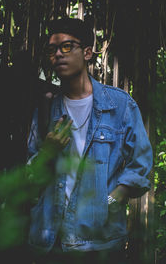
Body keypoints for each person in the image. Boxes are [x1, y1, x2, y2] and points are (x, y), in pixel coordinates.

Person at [27, 17, 153, 264]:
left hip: (99, 242)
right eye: (51, 50)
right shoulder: (45, 110)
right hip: (51, 242)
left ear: (86, 53)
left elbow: (141, 163)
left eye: (66, 46)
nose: (58, 55)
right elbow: (30, 176)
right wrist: (48, 153)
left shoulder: (120, 105)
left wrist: (111, 200)